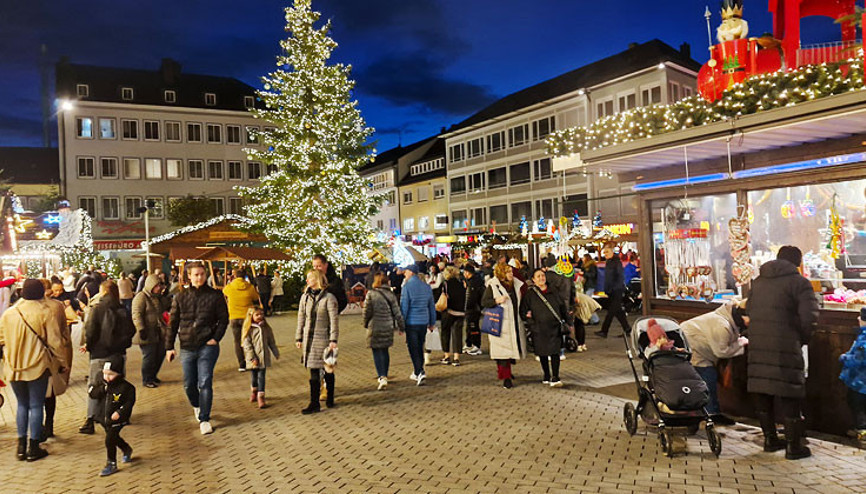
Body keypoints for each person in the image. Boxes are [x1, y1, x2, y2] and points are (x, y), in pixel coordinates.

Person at [746, 245, 819, 460]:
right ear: (798, 262)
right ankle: (793, 447)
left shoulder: (758, 282)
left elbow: (749, 309)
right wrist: (801, 339)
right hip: (786, 344)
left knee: (763, 391)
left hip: (758, 344)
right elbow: (810, 317)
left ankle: (770, 440)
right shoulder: (799, 283)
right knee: (789, 394)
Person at [0, 279, 66, 461]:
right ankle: (34, 447)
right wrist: (62, 362)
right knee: (36, 405)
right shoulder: (45, 312)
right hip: (38, 365)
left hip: (14, 367)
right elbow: (55, 342)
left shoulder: (9, 313)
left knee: (22, 404)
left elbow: (1, 337)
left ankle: (21, 447)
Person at [166, 261, 229, 435]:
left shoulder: (215, 295)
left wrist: (216, 338)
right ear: (189, 276)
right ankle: (197, 404)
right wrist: (169, 346)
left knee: (205, 382)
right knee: (188, 384)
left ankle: (205, 418)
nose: (200, 277)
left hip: (207, 345)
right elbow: (172, 323)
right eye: (196, 274)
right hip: (186, 345)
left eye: (202, 274)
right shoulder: (180, 296)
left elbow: (224, 319)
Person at [79, 280, 135, 435]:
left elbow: (90, 331)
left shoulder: (96, 309)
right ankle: (119, 415)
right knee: (117, 385)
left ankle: (90, 419)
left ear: (102, 292)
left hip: (99, 354)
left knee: (95, 385)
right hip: (118, 354)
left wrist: (89, 346)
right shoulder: (123, 309)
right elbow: (131, 329)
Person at [680, 301, 749, 425]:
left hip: (698, 348)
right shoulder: (722, 325)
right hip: (693, 348)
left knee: (706, 379)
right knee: (708, 377)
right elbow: (722, 352)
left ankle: (708, 412)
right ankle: (711, 414)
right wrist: (741, 343)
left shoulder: (727, 321)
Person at [296, 269, 339, 414]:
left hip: (324, 338)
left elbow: (334, 320)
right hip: (310, 339)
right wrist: (299, 337)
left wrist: (333, 339)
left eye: (310, 278)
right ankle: (314, 403)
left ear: (318, 279)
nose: (307, 280)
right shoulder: (305, 297)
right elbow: (301, 317)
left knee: (328, 369)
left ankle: (330, 397)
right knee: (313, 371)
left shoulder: (329, 298)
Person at [88, 355, 135, 477]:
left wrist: (120, 412)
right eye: (105, 374)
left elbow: (129, 403)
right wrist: (102, 389)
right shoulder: (101, 382)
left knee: (109, 440)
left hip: (117, 419)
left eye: (111, 374)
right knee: (113, 438)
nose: (107, 377)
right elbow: (92, 393)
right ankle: (126, 448)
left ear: (119, 374)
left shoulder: (127, 388)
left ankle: (111, 463)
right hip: (103, 417)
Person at [481, 263, 527, 389]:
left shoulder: (516, 285)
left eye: (511, 271)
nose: (511, 274)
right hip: (500, 323)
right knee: (502, 353)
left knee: (511, 350)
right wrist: (497, 300)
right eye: (508, 272)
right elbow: (484, 302)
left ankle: (507, 373)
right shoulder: (493, 286)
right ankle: (505, 377)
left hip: (514, 322)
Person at [520, 269, 568, 387]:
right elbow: (522, 311)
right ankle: (546, 374)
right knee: (543, 353)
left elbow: (562, 307)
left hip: (554, 327)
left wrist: (567, 321)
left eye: (543, 275)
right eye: (538, 276)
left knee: (555, 352)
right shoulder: (530, 295)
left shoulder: (554, 291)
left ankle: (555, 376)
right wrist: (531, 322)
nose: (541, 278)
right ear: (533, 280)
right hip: (539, 329)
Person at [363, 272, 405, 390]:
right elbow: (397, 312)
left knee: (376, 351)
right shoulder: (390, 294)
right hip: (387, 325)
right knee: (385, 350)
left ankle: (381, 376)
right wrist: (402, 326)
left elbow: (367, 311)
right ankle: (385, 374)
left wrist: (365, 323)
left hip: (375, 325)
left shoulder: (371, 294)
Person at [400, 264, 436, 386]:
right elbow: (431, 306)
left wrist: (401, 324)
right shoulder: (426, 287)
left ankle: (419, 371)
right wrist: (432, 322)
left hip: (411, 322)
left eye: (406, 271)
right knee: (419, 346)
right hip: (423, 321)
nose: (405, 273)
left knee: (413, 348)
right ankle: (418, 371)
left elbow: (404, 307)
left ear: (411, 272)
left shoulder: (407, 287)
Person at [131, 274, 168, 388]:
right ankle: (147, 379)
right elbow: (136, 314)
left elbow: (165, 308)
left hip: (158, 332)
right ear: (150, 285)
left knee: (160, 354)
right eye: (156, 286)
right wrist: (141, 329)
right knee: (149, 356)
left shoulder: (157, 297)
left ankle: (152, 375)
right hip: (147, 332)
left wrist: (165, 297)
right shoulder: (141, 297)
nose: (159, 288)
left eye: (159, 286)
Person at [223, 268, 261, 372]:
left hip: (234, 317)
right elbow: (256, 297)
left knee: (237, 341)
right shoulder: (250, 287)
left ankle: (241, 364)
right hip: (247, 317)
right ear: (245, 276)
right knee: (250, 339)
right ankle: (252, 360)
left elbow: (224, 292)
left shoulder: (229, 287)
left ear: (234, 276)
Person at [242, 307, 279, 409]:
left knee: (261, 376)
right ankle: (254, 391)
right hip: (253, 358)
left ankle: (261, 396)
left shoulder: (266, 328)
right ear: (251, 316)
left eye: (261, 314)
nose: (260, 317)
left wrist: (275, 352)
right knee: (254, 376)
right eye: (257, 315)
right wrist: (252, 358)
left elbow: (271, 341)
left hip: (263, 357)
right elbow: (247, 345)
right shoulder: (248, 329)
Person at [840, 307, 866, 442]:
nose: (858, 319)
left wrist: (844, 358)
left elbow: (859, 359)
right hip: (860, 380)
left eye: (861, 317)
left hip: (859, 381)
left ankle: (861, 430)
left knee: (856, 403)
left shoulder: (864, 337)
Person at [595, 247, 630, 338]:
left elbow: (619, 277)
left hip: (616, 290)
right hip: (611, 290)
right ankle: (627, 329)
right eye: (604, 252)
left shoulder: (616, 262)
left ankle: (604, 330)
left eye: (607, 252)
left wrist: (614, 288)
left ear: (612, 253)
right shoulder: (609, 262)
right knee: (618, 312)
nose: (605, 254)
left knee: (611, 311)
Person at [439, 266, 466, 366]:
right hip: (460, 312)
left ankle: (446, 356)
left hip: (448, 311)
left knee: (445, 333)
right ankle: (456, 358)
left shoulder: (446, 284)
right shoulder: (461, 284)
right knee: (457, 334)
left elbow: (441, 295)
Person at [462, 264, 484, 356]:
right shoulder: (471, 281)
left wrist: (467, 307)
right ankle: (469, 343)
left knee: (473, 326)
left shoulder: (473, 283)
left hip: (473, 309)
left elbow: (472, 297)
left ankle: (476, 345)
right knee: (469, 327)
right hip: (472, 309)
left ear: (467, 272)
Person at [582, 254, 600, 325]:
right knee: (587, 303)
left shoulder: (591, 266)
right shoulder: (587, 266)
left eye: (583, 258)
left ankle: (595, 319)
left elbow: (592, 275)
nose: (582, 259)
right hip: (589, 286)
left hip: (590, 285)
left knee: (587, 303)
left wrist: (584, 273)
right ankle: (593, 319)